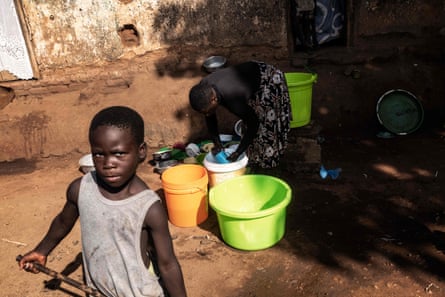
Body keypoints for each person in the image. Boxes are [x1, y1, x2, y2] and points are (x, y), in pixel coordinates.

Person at [18, 106, 187, 297]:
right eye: (99, 154)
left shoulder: (148, 208)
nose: (108, 164)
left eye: (119, 153)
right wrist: (42, 251)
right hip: (99, 289)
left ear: (141, 152)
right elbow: (63, 222)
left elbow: (168, 264)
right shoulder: (81, 189)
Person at [189, 60, 291, 168]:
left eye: (208, 111)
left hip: (269, 79)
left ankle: (269, 162)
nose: (208, 114)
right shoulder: (203, 90)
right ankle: (253, 157)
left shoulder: (232, 99)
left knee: (267, 125)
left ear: (213, 99)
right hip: (249, 78)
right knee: (251, 124)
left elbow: (253, 123)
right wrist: (217, 143)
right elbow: (210, 117)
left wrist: (238, 151)